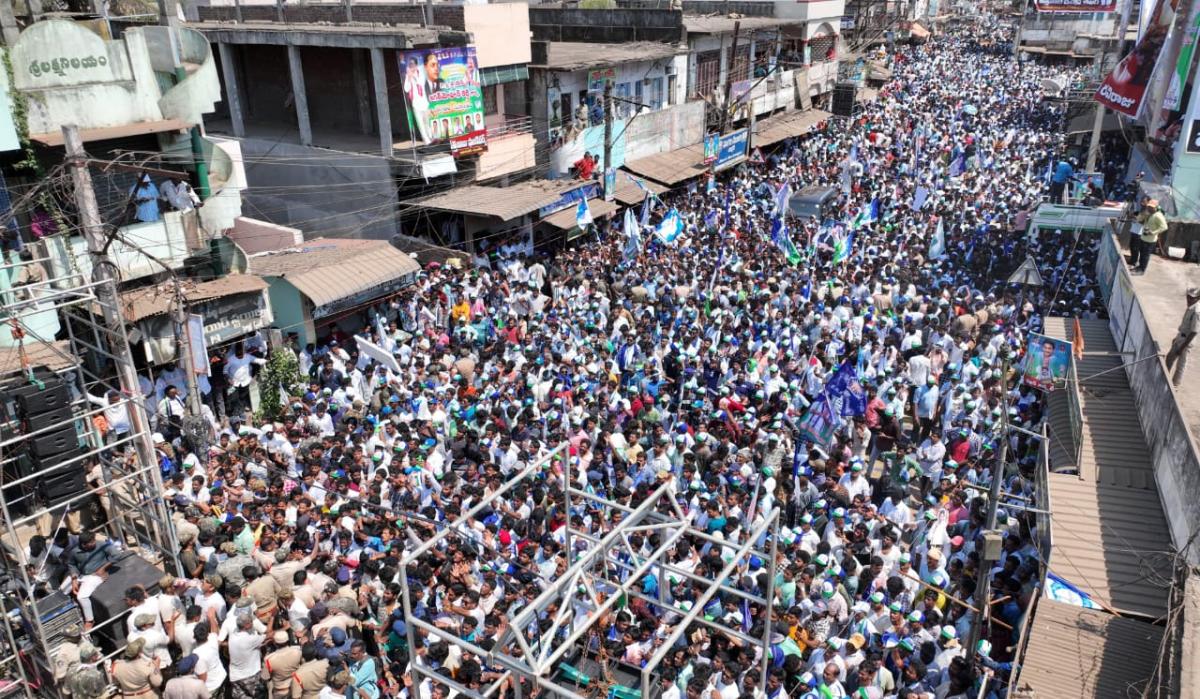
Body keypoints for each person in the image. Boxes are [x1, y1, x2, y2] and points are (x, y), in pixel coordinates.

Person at [1165, 286, 1200, 388]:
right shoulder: (1190, 307)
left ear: (1198, 298)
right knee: (1169, 358)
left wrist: (1182, 347)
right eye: (1188, 296)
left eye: (1192, 297)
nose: (1189, 299)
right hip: (1181, 337)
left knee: (1180, 365)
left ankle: (1175, 386)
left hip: (1186, 341)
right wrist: (1177, 338)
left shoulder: (1197, 312)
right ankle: (1165, 380)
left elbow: (1194, 332)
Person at [1131, 197, 1168, 273]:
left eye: (1151, 207)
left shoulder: (1158, 215)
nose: (1149, 208)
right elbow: (1139, 220)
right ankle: (1139, 267)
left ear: (1156, 207)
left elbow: (1164, 227)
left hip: (1150, 240)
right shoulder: (1149, 214)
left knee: (1145, 255)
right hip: (1143, 237)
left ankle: (1142, 270)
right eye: (1149, 206)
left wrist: (1153, 232)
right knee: (1141, 254)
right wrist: (1143, 215)